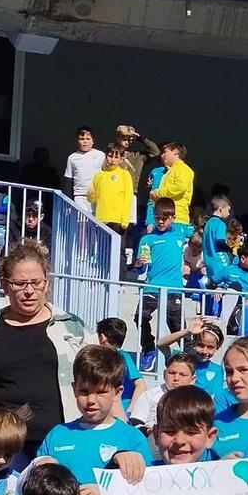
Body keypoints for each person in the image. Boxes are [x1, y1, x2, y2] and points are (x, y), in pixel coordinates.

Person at [0, 242, 92, 463]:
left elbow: (100, 380)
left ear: (46, 283)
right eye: (19, 283)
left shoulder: (73, 328)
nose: (29, 291)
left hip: (59, 446)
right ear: (5, 286)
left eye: (36, 283)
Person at [34, 346, 152, 483]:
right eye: (84, 392)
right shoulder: (57, 434)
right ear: (74, 389)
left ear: (117, 392)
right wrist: (37, 466)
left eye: (101, 392)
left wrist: (104, 493)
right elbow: (31, 486)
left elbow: (147, 490)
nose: (90, 400)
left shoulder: (132, 438)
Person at [135, 196, 189, 348]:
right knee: (140, 317)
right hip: (152, 287)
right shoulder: (147, 239)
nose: (160, 222)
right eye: (157, 218)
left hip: (173, 288)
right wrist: (139, 264)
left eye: (165, 218)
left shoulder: (181, 232)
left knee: (178, 326)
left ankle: (189, 358)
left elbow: (199, 232)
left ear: (173, 218)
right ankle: (148, 348)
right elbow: (141, 267)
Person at [90, 143, 136, 237]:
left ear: (121, 159)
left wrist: (125, 220)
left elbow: (128, 198)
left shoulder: (124, 174)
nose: (112, 160)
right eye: (110, 156)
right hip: (101, 219)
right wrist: (90, 194)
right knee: (103, 250)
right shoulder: (98, 175)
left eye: (116, 157)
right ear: (105, 156)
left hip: (117, 220)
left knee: (118, 249)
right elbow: (93, 199)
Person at [155, 141, 195, 227]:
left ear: (175, 152)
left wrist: (158, 193)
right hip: (166, 218)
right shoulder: (169, 172)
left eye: (165, 152)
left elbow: (180, 186)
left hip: (178, 219)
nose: (162, 156)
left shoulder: (183, 169)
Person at [63, 126, 104, 211]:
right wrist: (67, 202)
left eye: (88, 139)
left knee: (96, 223)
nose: (85, 142)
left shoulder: (101, 155)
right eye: (82, 139)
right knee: (81, 223)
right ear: (77, 141)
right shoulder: (72, 158)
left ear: (93, 140)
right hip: (80, 196)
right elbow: (68, 181)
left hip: (97, 196)